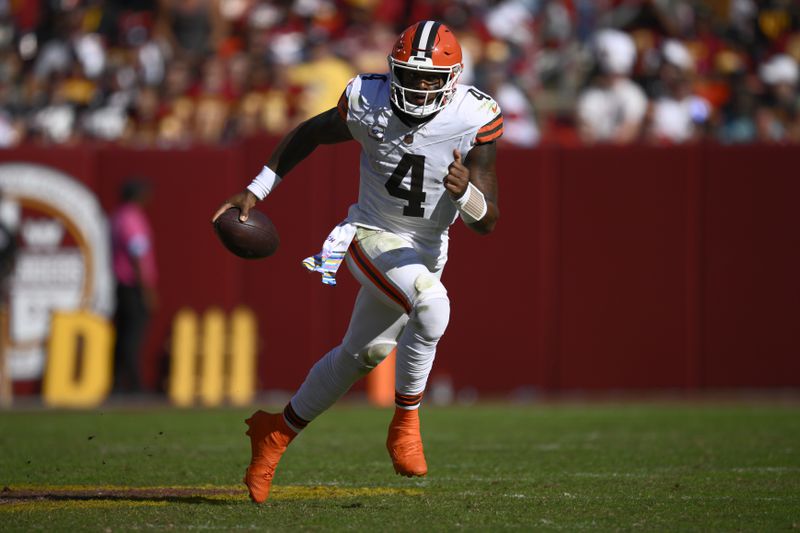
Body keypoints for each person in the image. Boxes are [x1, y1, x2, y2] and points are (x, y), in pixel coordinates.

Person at [212, 20, 503, 503]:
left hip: (428, 248)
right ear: (393, 70)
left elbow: (488, 221)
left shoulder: (474, 117)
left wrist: (467, 194)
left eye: (432, 78)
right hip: (370, 234)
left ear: (452, 79)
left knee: (361, 356)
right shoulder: (368, 99)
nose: (420, 86)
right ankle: (406, 424)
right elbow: (310, 132)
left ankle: (274, 434)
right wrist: (257, 188)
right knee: (433, 307)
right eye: (411, 75)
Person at [111, 178, 158, 394]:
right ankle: (135, 385)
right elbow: (137, 254)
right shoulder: (132, 218)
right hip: (132, 285)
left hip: (121, 284)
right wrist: (146, 289)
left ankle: (118, 384)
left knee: (123, 334)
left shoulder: (119, 216)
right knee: (132, 336)